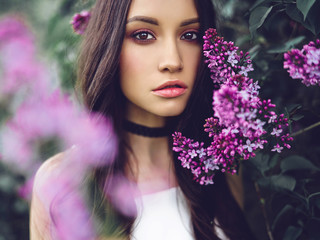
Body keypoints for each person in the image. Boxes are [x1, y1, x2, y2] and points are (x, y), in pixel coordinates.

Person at [30, 0, 256, 239]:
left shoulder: (220, 166)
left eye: (190, 35)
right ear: (109, 43)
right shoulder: (64, 182)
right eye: (144, 35)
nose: (173, 61)